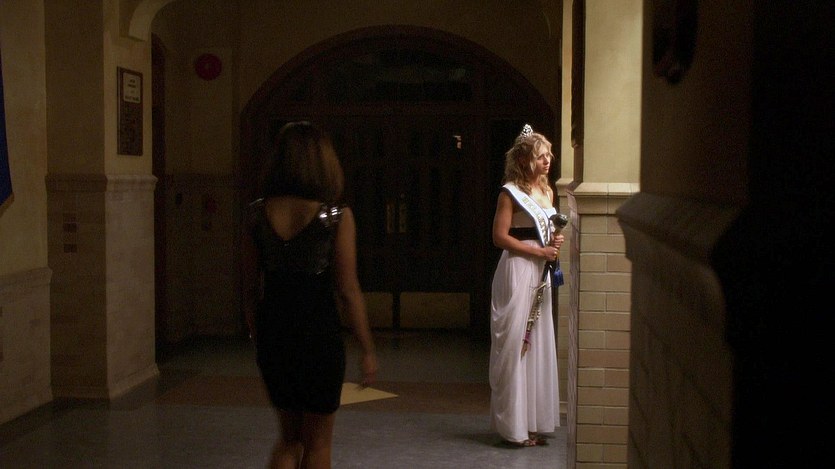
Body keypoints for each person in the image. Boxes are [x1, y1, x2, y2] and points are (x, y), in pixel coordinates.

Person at [246, 121, 378, 469]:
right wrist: (366, 348)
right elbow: (348, 290)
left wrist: (258, 335)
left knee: (288, 438)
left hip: (274, 331)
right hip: (319, 334)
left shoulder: (257, 214)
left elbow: (251, 286)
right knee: (318, 443)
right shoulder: (335, 218)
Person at [489, 124, 565, 447]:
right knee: (516, 345)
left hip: (541, 271)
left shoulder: (548, 192)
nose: (547, 161)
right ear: (524, 160)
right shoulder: (510, 193)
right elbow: (499, 237)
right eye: (540, 156)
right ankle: (514, 428)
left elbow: (546, 232)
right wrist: (538, 251)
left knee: (537, 344)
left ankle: (533, 423)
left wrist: (554, 242)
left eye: (549, 155)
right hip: (519, 269)